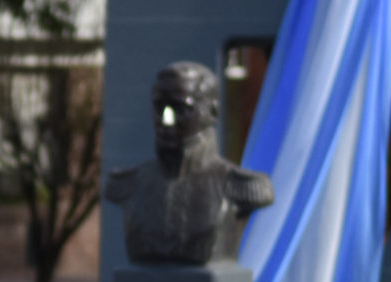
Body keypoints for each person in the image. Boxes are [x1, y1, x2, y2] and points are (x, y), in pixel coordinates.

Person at [105, 61, 274, 264]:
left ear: (212, 112)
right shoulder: (127, 184)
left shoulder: (242, 186)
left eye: (180, 108)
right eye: (160, 108)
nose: (166, 120)